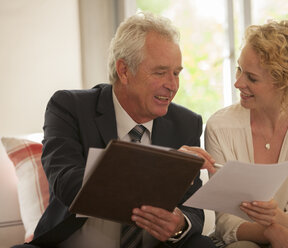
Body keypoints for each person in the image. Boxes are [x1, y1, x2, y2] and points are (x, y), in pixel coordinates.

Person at [13, 12, 216, 248]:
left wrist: (179, 222)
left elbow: (192, 208)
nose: (172, 85)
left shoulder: (186, 123)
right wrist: (162, 167)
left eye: (176, 73)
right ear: (124, 71)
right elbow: (66, 182)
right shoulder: (69, 108)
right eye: (160, 72)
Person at [204, 20, 288, 248]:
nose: (238, 83)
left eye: (252, 78)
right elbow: (226, 221)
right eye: (239, 69)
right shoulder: (220, 126)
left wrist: (277, 220)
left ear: (284, 81)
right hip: (242, 236)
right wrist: (270, 231)